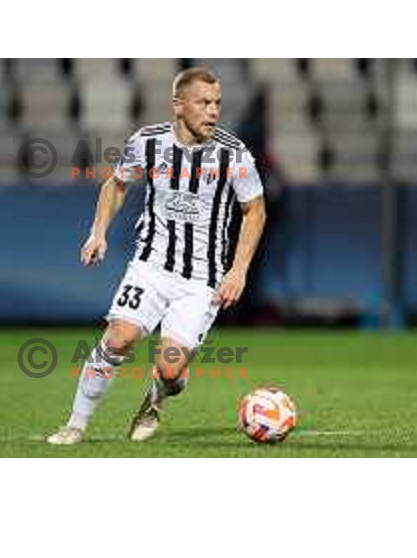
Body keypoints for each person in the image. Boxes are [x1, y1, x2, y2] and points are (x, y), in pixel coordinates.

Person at [47, 66, 266, 445]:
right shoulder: (147, 143)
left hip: (203, 279)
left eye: (217, 103)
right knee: (118, 338)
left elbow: (255, 211)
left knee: (169, 369)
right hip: (150, 266)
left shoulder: (235, 155)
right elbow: (116, 185)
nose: (213, 111)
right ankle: (76, 424)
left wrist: (238, 270)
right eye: (203, 103)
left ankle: (155, 400)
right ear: (178, 105)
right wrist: (98, 232)